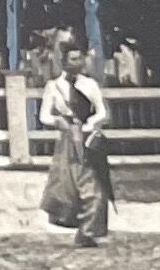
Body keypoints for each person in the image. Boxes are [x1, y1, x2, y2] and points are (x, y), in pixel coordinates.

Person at [40, 42, 114, 246]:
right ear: (63, 62)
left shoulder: (90, 85)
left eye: (80, 58)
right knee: (69, 187)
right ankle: (78, 226)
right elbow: (44, 116)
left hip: (89, 140)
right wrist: (58, 121)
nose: (78, 63)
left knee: (94, 186)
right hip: (67, 142)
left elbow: (103, 112)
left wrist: (91, 124)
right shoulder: (53, 87)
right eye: (73, 59)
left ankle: (88, 231)